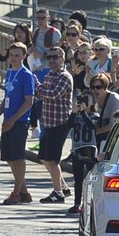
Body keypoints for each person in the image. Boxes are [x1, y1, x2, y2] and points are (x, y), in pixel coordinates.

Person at [0, 42, 35, 205]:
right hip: (7, 120)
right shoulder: (9, 72)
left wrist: (13, 120)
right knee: (10, 157)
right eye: (12, 55)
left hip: (19, 122)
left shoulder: (26, 74)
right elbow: (7, 98)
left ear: (24, 56)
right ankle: (24, 192)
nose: (14, 58)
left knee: (18, 157)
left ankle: (16, 193)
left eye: (17, 55)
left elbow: (29, 101)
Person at [35, 47, 74, 203]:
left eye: (55, 57)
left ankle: (57, 193)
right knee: (44, 158)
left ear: (62, 59)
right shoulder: (49, 75)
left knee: (52, 160)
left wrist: (37, 85)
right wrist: (40, 88)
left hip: (60, 123)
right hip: (48, 122)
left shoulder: (65, 77)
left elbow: (52, 94)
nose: (51, 60)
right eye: (49, 57)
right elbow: (41, 95)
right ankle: (63, 187)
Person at [67, 94, 98, 216]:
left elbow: (92, 126)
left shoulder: (95, 115)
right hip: (77, 150)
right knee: (78, 179)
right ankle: (77, 203)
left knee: (91, 178)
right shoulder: (75, 116)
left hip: (89, 149)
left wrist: (84, 113)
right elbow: (68, 126)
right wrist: (74, 113)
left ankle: (91, 203)